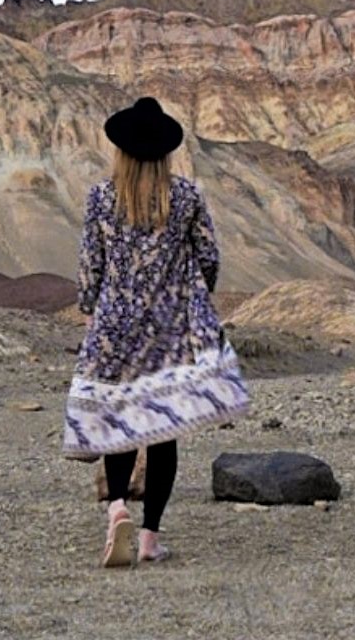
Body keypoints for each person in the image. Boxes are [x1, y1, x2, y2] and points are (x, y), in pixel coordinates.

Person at [61, 95, 251, 567]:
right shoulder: (185, 196)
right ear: (166, 151)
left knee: (119, 425)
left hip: (115, 324)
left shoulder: (103, 197)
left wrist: (91, 310)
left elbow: (91, 265)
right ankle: (149, 538)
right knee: (164, 431)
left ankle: (118, 507)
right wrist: (190, 296)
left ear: (121, 150)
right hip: (170, 326)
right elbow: (208, 258)